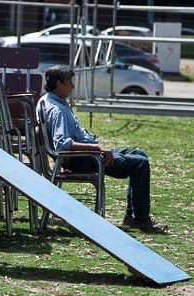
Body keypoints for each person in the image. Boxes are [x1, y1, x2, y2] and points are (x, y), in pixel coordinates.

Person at [39, 65, 169, 233]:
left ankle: (132, 216)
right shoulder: (57, 110)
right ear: (58, 84)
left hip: (85, 154)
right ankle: (141, 219)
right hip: (82, 159)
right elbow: (63, 145)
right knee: (140, 164)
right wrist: (97, 148)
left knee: (139, 155)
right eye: (70, 83)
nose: (72, 86)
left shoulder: (48, 100)